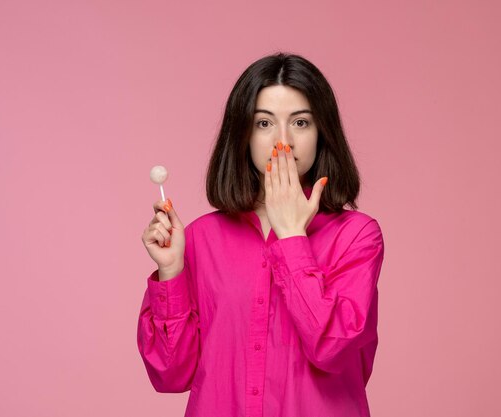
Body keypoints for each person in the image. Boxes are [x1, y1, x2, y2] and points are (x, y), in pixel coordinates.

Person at [138, 52, 385, 417]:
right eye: (264, 123)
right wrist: (172, 272)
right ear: (243, 133)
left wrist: (291, 239)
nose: (282, 141)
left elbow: (334, 348)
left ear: (322, 133)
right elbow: (170, 375)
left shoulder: (357, 236)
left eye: (300, 123)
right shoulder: (201, 239)